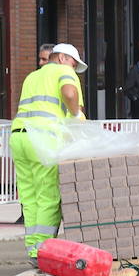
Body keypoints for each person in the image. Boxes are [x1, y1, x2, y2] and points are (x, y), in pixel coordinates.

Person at [9, 43, 85, 259]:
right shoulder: (64, 71)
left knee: (29, 196)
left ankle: (33, 249)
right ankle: (43, 250)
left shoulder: (32, 76)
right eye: (73, 62)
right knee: (48, 196)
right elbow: (69, 93)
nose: (73, 67)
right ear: (62, 58)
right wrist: (74, 114)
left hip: (19, 136)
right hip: (43, 139)